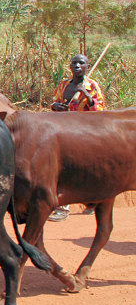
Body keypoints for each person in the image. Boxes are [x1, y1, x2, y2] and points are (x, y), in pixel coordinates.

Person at [48, 54, 105, 222]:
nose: (77, 65)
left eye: (81, 63)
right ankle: (62, 208)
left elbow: (100, 111)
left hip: (84, 133)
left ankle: (93, 202)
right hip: (64, 131)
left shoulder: (91, 85)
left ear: (87, 66)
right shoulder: (64, 84)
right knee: (63, 168)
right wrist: (56, 106)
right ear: (70, 66)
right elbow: (54, 102)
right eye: (74, 62)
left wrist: (86, 95)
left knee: (85, 170)